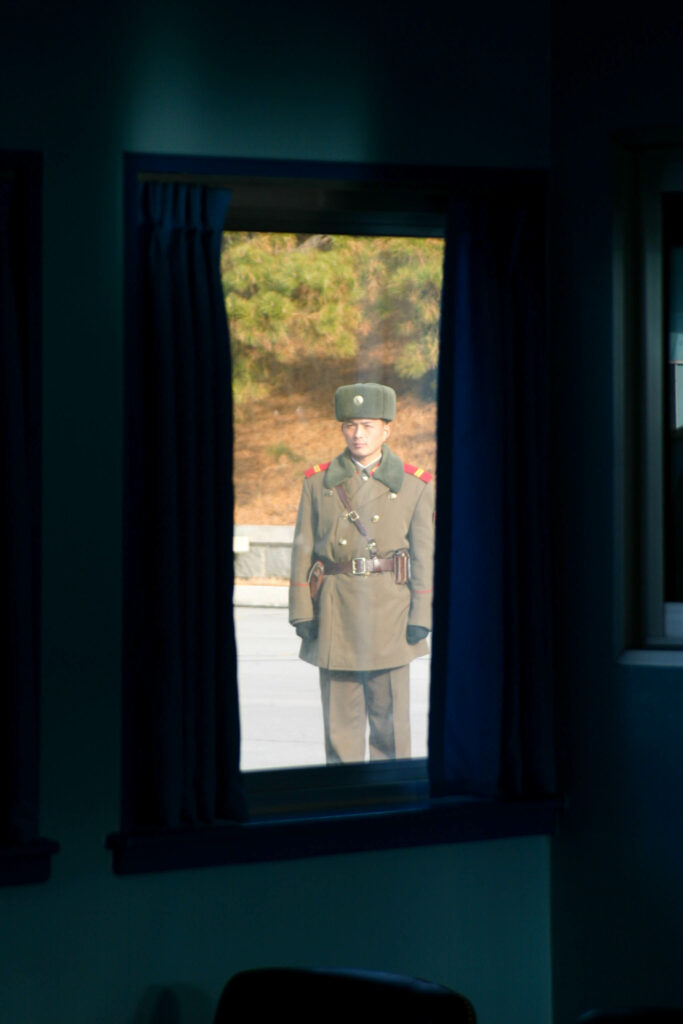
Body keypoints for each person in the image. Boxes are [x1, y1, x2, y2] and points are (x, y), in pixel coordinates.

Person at [288, 382, 435, 763]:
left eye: (368, 425)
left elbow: (424, 555)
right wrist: (302, 611)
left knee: (391, 730)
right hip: (336, 613)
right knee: (340, 728)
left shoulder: (415, 484)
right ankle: (345, 800)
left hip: (390, 611)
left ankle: (393, 804)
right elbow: (302, 549)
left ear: (387, 429)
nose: (358, 434)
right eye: (350, 425)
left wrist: (422, 614)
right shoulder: (317, 483)